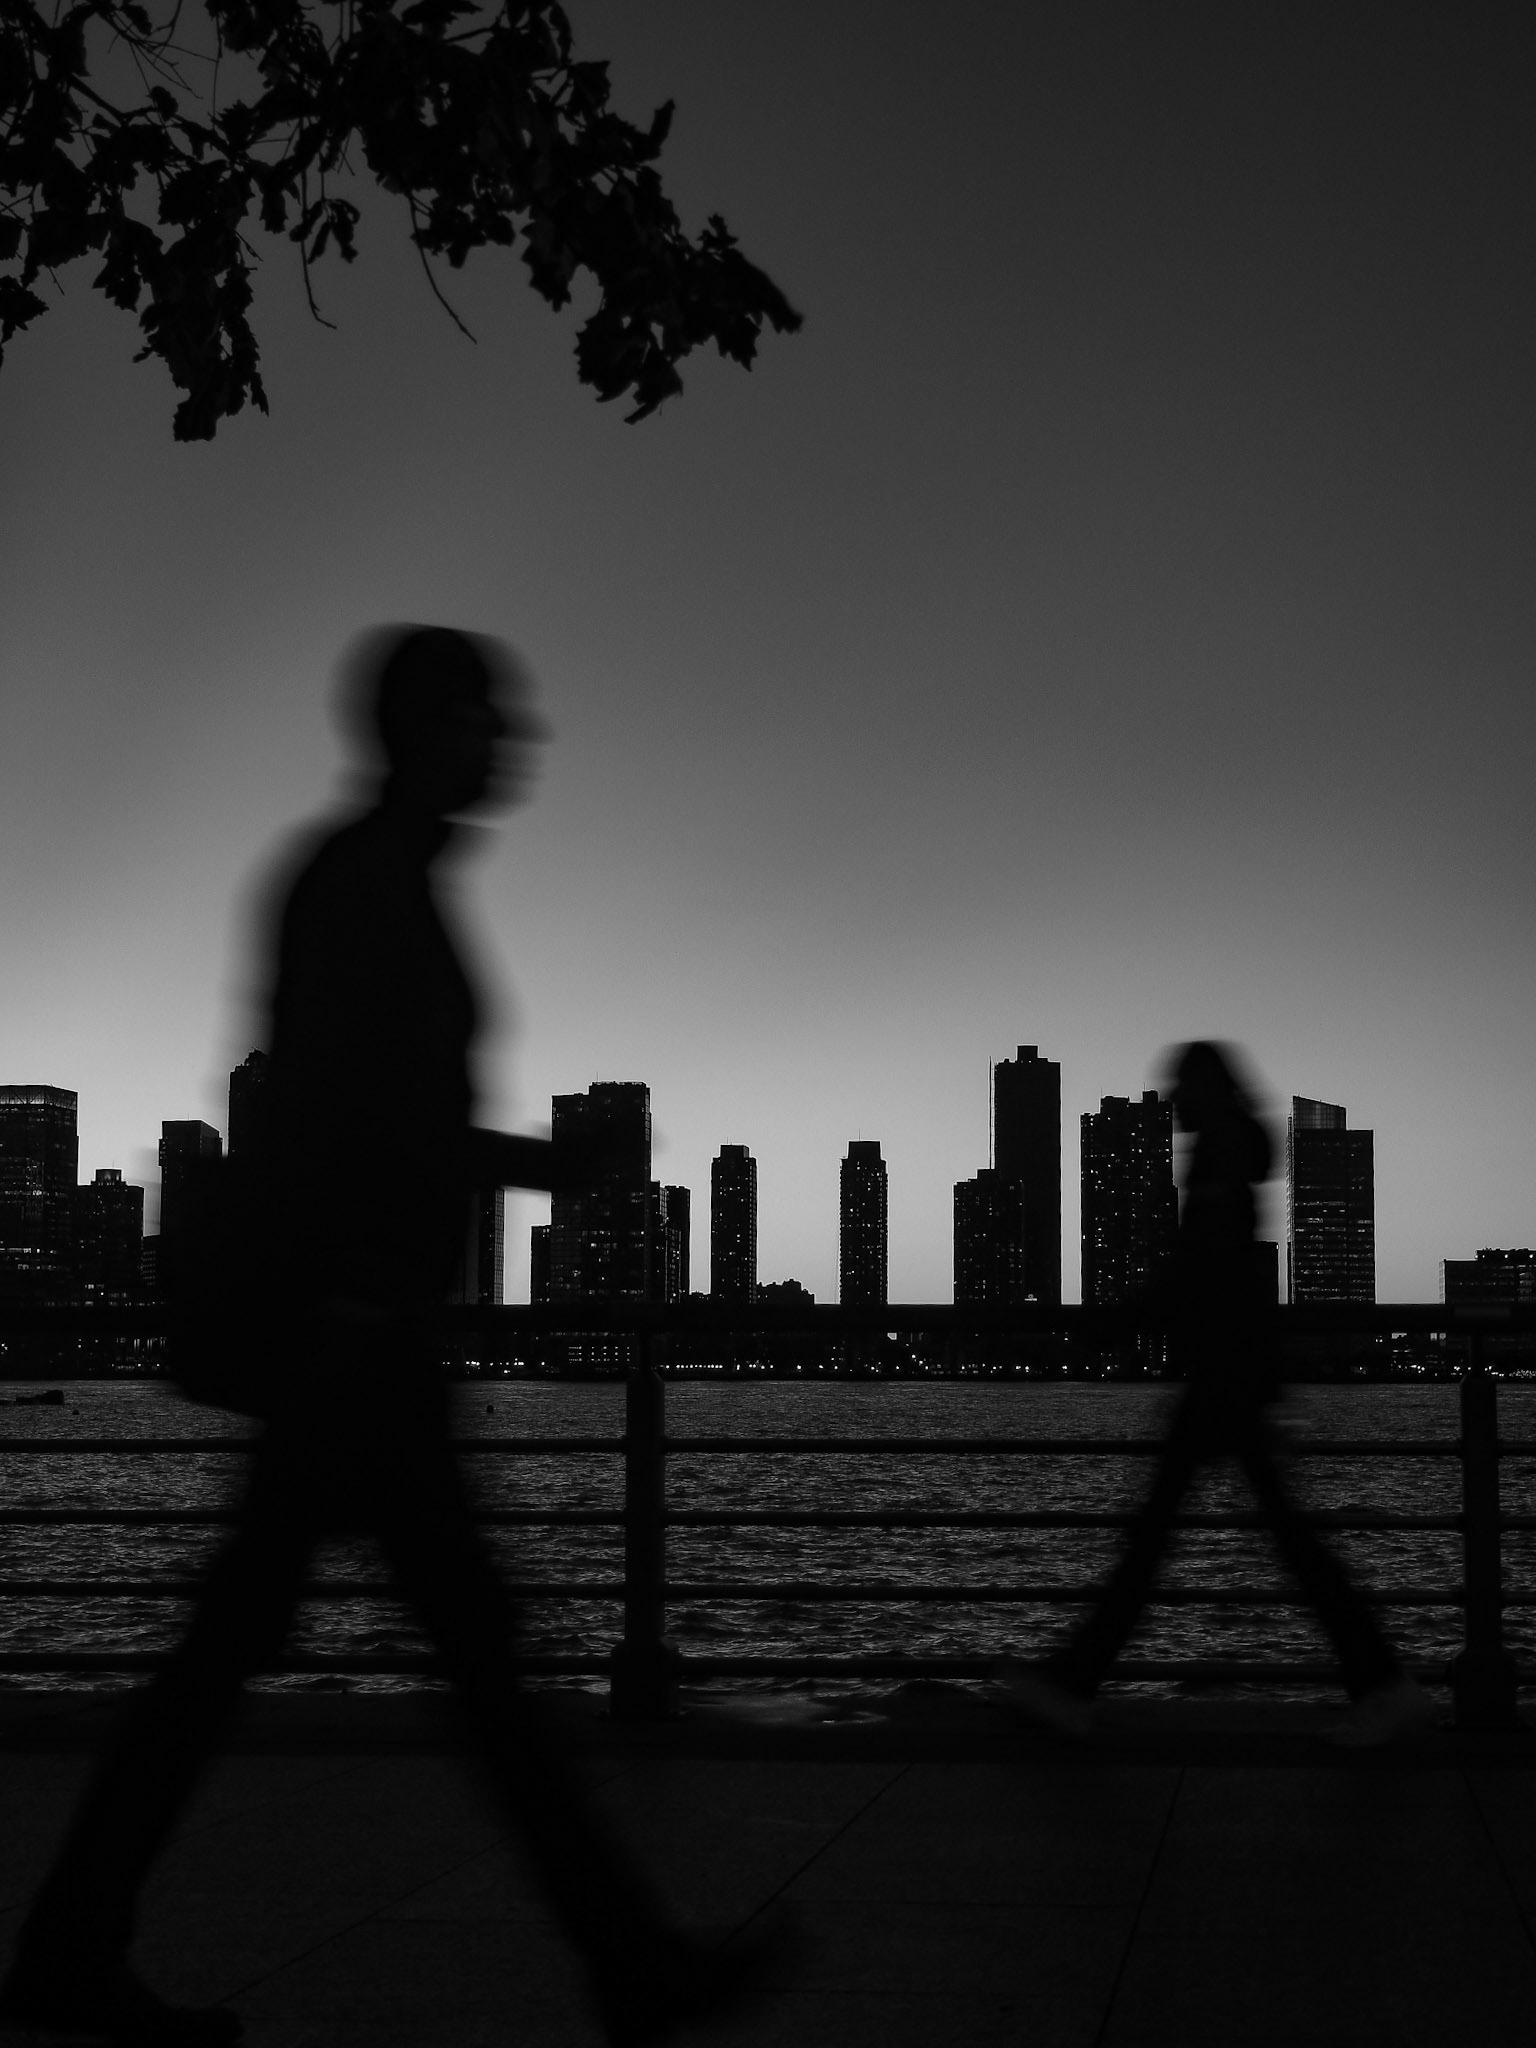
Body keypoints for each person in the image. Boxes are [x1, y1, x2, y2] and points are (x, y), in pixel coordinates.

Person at [0, 628, 763, 2047]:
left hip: (355, 1339)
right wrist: (470, 1220)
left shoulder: (381, 878)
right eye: (485, 711)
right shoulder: (364, 884)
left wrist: (540, 1176)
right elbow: (346, 1118)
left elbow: (376, 1115)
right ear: (422, 726)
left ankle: (69, 1946)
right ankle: (632, 1964)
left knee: (290, 1661)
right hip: (354, 1341)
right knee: (457, 1666)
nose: (512, 736)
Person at [997, 1040, 1436, 1749]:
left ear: (1207, 1090)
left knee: (1173, 1544)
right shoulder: (1232, 1153)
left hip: (1223, 1378)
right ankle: (1381, 1683)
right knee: (1253, 1542)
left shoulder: (1219, 1158)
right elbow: (1212, 1266)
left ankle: (1074, 1685)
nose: (1171, 1104)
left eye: (1180, 1089)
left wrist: (1121, 1320)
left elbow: (1203, 1265)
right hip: (1234, 1375)